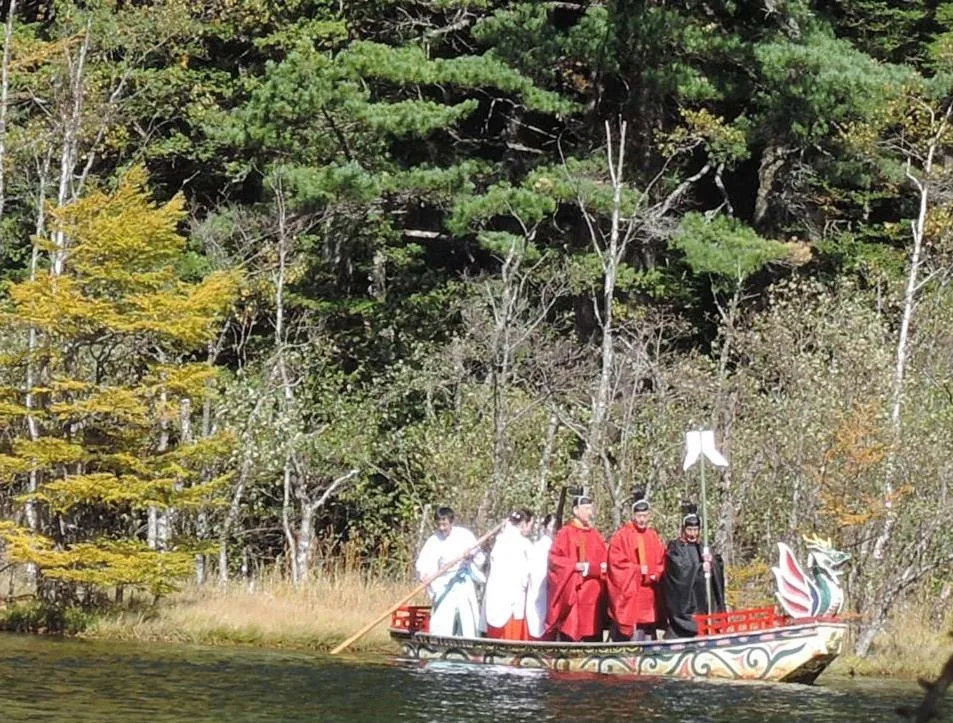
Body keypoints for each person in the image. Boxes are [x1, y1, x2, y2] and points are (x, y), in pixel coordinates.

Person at [545, 488, 608, 642]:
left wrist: (593, 568)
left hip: (593, 597)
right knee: (572, 629)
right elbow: (554, 560)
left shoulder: (595, 535)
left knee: (593, 633)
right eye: (586, 509)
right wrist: (574, 566)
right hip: (574, 594)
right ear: (576, 510)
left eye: (591, 509)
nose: (589, 513)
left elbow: (605, 561)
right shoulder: (565, 534)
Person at [415, 506, 485, 638]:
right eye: (439, 524)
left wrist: (471, 556)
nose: (442, 528)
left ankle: (469, 641)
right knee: (442, 617)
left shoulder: (464, 535)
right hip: (444, 581)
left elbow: (479, 556)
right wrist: (425, 575)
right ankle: (439, 640)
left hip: (462, 579)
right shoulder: (434, 540)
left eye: (444, 524)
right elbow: (424, 562)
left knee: (467, 617)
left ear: (451, 522)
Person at [606, 489, 666, 641]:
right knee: (635, 635)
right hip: (632, 594)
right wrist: (637, 570)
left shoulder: (653, 536)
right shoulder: (621, 536)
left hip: (649, 595)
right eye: (639, 516)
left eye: (645, 516)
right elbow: (616, 565)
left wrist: (657, 573)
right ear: (633, 516)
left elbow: (661, 560)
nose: (642, 520)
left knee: (649, 635)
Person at [663, 501, 726, 638]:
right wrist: (698, 569)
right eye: (690, 530)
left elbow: (718, 567)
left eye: (696, 530)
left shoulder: (703, 547)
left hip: (704, 600)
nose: (693, 534)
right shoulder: (675, 548)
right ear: (683, 529)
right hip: (688, 602)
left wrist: (713, 563)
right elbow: (677, 570)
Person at [482, 509, 534, 640]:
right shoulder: (524, 544)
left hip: (497, 595)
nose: (530, 530)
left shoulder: (499, 541)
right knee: (510, 636)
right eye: (530, 525)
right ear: (523, 524)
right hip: (512, 596)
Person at [526, 513, 556, 640]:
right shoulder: (538, 546)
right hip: (539, 587)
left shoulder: (557, 546)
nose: (554, 529)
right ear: (545, 526)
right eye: (551, 525)